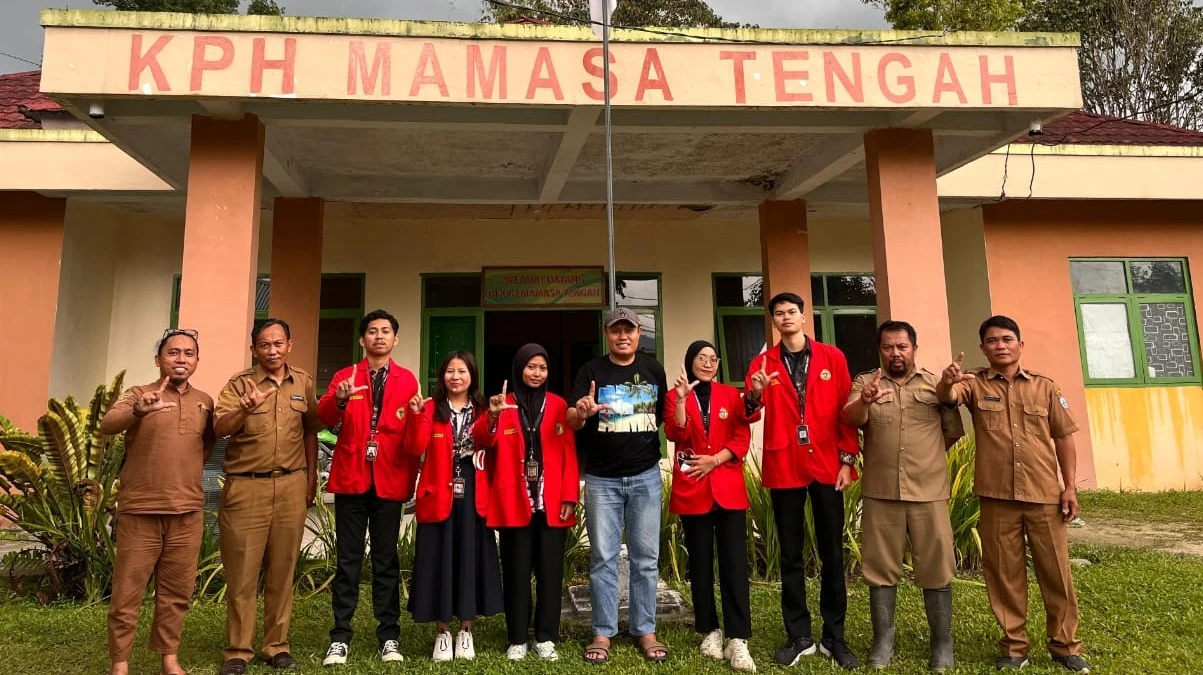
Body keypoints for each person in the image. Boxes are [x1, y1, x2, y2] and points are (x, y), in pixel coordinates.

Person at [937, 316, 1090, 674]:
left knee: (1056, 574)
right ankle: (1014, 647)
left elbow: (1063, 437)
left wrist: (1069, 486)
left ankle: (1065, 646)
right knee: (1004, 575)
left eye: (1007, 339)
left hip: (1043, 494)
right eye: (992, 341)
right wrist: (946, 383)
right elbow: (949, 397)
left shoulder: (1045, 387)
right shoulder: (973, 383)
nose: (1000, 346)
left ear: (1020, 345)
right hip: (997, 496)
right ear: (983, 348)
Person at [744, 292, 860, 671]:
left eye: (791, 311)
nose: (786, 317)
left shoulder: (832, 357)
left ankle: (834, 636)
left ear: (804, 316)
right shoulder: (762, 363)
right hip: (785, 465)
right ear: (773, 321)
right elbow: (749, 412)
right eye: (779, 313)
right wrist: (755, 393)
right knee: (790, 555)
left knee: (832, 552)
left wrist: (847, 460)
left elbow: (846, 411)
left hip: (827, 463)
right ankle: (799, 635)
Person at [842, 320, 964, 671]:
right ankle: (883, 640)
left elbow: (951, 432)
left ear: (914, 348)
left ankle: (942, 642)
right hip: (882, 491)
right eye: (888, 347)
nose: (895, 353)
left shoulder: (935, 385)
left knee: (937, 567)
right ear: (879, 350)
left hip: (928, 492)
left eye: (902, 346)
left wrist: (925, 459)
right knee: (880, 568)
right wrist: (865, 401)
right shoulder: (865, 383)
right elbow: (850, 419)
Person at [101, 328, 215, 675]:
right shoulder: (139, 394)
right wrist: (138, 410)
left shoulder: (205, 401)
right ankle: (120, 663)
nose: (181, 359)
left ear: (197, 360)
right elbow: (108, 424)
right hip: (141, 510)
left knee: (176, 592)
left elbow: (206, 445)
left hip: (187, 511)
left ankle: (169, 658)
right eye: (173, 352)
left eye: (189, 353)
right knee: (127, 594)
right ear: (158, 359)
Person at [213, 318, 322, 675]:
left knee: (282, 570)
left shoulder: (303, 382)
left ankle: (277, 646)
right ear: (254, 349)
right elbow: (220, 427)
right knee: (242, 573)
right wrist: (243, 408)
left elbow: (310, 431)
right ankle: (238, 651)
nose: (272, 351)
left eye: (278, 343)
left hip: (291, 485)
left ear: (290, 345)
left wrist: (309, 480)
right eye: (264, 345)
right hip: (247, 487)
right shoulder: (238, 384)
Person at [317, 310, 421, 666]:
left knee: (385, 560)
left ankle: (389, 636)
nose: (379, 336)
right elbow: (324, 417)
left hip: (389, 480)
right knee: (348, 562)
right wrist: (340, 399)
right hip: (352, 478)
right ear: (362, 340)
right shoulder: (345, 376)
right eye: (372, 331)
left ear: (395, 339)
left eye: (386, 331)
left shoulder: (407, 380)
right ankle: (340, 637)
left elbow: (412, 436)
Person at [568, 306, 669, 664]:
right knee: (603, 558)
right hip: (601, 479)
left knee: (646, 558)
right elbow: (572, 420)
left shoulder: (653, 370)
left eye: (629, 330)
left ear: (639, 333)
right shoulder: (590, 371)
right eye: (616, 330)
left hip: (645, 476)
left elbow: (658, 416)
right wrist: (582, 412)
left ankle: (645, 629)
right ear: (606, 334)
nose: (622, 336)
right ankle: (602, 632)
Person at [473, 344, 580, 661]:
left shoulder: (558, 405)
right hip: (513, 501)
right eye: (531, 367)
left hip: (551, 502)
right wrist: (492, 415)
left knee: (550, 573)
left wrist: (570, 496)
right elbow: (482, 439)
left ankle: (545, 637)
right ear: (519, 368)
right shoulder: (502, 403)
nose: (537, 373)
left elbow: (569, 451)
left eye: (542, 368)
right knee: (516, 573)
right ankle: (517, 637)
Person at [404, 350, 504, 661]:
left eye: (462, 371)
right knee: (440, 558)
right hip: (438, 491)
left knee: (469, 557)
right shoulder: (430, 408)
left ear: (472, 376)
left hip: (473, 490)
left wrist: (494, 416)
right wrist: (416, 415)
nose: (456, 377)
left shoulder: (484, 409)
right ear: (442, 376)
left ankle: (466, 631)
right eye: (450, 371)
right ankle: (443, 632)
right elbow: (415, 447)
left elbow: (489, 441)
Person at [665, 340, 757, 673]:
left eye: (713, 358)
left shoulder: (730, 395)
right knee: (700, 563)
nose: (708, 363)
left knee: (734, 563)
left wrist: (715, 459)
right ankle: (709, 630)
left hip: (727, 487)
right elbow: (676, 433)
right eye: (701, 358)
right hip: (694, 488)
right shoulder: (674, 395)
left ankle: (738, 637)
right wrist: (680, 401)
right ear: (690, 361)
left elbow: (742, 433)